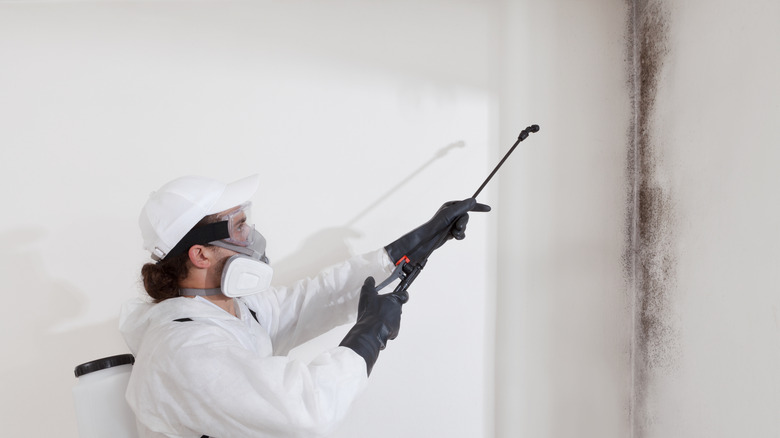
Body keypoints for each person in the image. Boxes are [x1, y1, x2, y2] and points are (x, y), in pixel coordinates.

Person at [120, 174, 489, 438]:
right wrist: (368, 335)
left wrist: (407, 249)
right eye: (239, 228)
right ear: (199, 253)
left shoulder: (232, 310)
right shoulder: (184, 350)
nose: (253, 239)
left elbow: (310, 300)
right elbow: (305, 411)